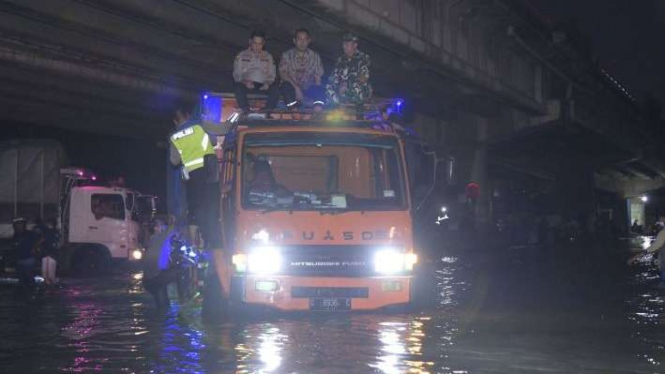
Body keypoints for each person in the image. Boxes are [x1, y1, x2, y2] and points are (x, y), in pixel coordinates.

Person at [169, 104, 230, 248]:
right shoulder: (200, 125)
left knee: (197, 208)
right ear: (188, 115)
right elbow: (223, 130)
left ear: (175, 121)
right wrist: (236, 118)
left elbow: (174, 161)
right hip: (209, 171)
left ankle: (203, 239)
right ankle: (215, 241)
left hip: (192, 177)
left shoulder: (174, 137)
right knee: (212, 206)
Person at [233, 30, 279, 113]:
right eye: (255, 43)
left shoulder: (268, 57)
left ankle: (266, 112)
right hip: (247, 84)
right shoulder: (241, 55)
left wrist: (268, 83)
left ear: (263, 43)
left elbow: (272, 75)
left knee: (276, 88)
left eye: (260, 44)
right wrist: (245, 82)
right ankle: (246, 112)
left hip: (263, 85)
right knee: (238, 87)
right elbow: (237, 74)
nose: (257, 46)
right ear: (250, 42)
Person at [279, 28, 325, 110]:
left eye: (305, 39)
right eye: (299, 39)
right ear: (294, 40)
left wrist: (318, 95)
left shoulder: (315, 56)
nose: (302, 42)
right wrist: (296, 88)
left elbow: (318, 78)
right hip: (292, 89)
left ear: (309, 40)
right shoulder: (286, 55)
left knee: (320, 90)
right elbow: (283, 74)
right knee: (285, 86)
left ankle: (318, 114)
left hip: (308, 88)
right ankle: (294, 111)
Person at [325, 33, 371, 107]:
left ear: (355, 45)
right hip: (342, 90)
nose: (344, 46)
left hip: (358, 90)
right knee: (328, 87)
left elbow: (364, 78)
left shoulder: (363, 58)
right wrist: (338, 84)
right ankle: (335, 109)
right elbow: (334, 76)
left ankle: (359, 111)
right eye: (344, 43)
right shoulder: (340, 60)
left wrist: (348, 83)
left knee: (355, 86)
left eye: (347, 44)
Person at [142, 218, 176, 308]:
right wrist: (173, 221)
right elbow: (171, 230)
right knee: (163, 306)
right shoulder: (158, 238)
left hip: (152, 278)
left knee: (163, 303)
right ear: (156, 228)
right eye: (161, 225)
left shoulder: (155, 239)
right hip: (155, 278)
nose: (164, 226)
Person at [628, 215, 665, 287]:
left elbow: (654, 247)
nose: (660, 221)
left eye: (662, 220)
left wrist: (635, 257)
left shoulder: (663, 233)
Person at [12, 218, 40, 287]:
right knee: (21, 279)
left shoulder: (30, 233)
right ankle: (22, 294)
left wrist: (34, 248)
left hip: (29, 259)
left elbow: (41, 239)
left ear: (24, 225)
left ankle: (32, 293)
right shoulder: (16, 235)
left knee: (29, 278)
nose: (19, 226)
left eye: (20, 224)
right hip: (19, 260)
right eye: (17, 225)